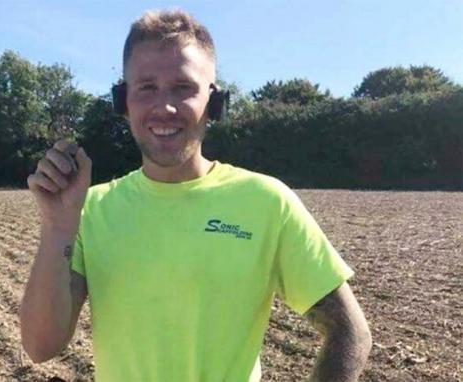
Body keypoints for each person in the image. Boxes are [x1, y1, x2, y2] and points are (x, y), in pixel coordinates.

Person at [20, 9, 372, 382]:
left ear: (215, 102)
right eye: (146, 88)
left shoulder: (267, 202)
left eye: (183, 87)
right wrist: (57, 228)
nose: (164, 107)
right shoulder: (92, 209)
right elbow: (41, 347)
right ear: (123, 102)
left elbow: (350, 331)